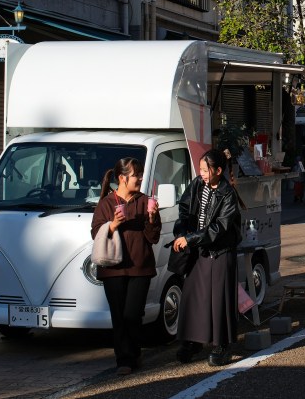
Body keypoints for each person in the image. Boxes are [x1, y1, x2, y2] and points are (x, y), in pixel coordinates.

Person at [90, 158, 161, 375]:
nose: (140, 178)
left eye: (140, 174)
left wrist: (152, 218)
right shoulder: (106, 203)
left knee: (133, 313)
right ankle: (124, 359)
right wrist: (113, 225)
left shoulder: (145, 201)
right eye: (135, 175)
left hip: (140, 266)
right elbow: (95, 233)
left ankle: (134, 352)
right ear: (122, 178)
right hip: (113, 268)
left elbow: (153, 237)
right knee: (119, 315)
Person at [172, 150, 243, 367]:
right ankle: (193, 341)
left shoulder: (228, 194)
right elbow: (184, 208)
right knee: (193, 297)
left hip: (221, 251)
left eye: (205, 170)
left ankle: (222, 345)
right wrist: (182, 231)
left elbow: (219, 227)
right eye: (200, 169)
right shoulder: (197, 184)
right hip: (199, 249)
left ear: (218, 171)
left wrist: (190, 238)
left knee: (220, 299)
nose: (201, 173)